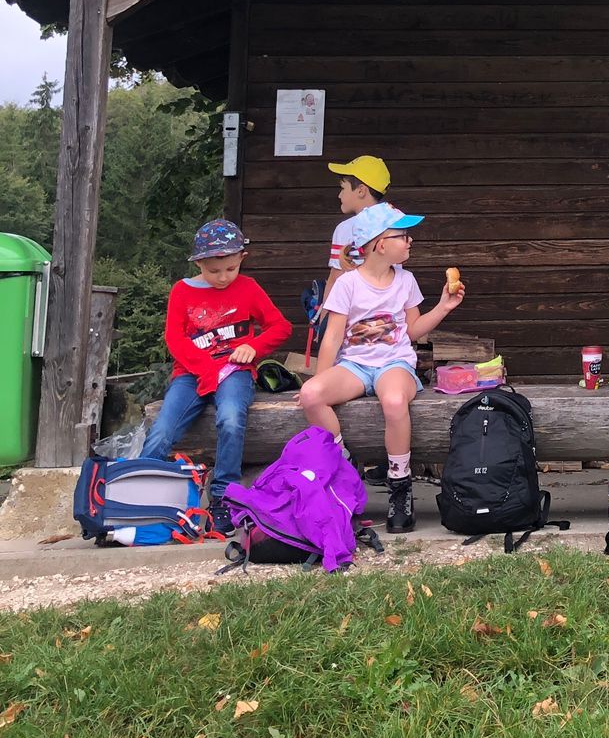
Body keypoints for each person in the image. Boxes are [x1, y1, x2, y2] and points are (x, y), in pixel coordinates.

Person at [295, 201, 463, 534]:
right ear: (380, 245)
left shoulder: (406, 280)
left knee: (395, 402)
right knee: (311, 394)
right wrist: (321, 377)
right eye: (403, 235)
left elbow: (414, 331)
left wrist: (443, 306)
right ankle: (343, 467)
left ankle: (400, 489)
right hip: (355, 365)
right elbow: (332, 339)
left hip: (395, 363)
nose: (410, 241)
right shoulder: (347, 284)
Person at [142, 219, 294, 534]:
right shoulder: (182, 291)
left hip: (236, 372)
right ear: (198, 263)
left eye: (230, 269)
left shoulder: (249, 288)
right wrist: (207, 371)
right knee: (162, 432)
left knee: (230, 417)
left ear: (241, 259)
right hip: (191, 372)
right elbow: (175, 339)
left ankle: (224, 496)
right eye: (214, 271)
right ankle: (140, 494)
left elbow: (281, 327)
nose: (223, 278)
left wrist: (253, 347)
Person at [324, 155, 391, 296]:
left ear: (361, 190)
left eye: (343, 188)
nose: (339, 195)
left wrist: (324, 316)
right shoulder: (394, 222)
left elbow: (336, 278)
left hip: (352, 310)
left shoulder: (345, 228)